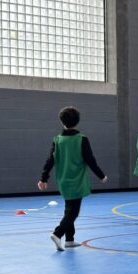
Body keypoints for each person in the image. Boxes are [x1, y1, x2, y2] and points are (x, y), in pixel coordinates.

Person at [38, 106, 108, 251]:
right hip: (77, 181)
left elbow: (50, 160)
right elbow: (90, 159)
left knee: (68, 209)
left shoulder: (57, 140)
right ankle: (57, 234)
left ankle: (69, 240)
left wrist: (44, 178)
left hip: (63, 180)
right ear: (78, 121)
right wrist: (101, 175)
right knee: (73, 212)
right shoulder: (81, 139)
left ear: (61, 121)